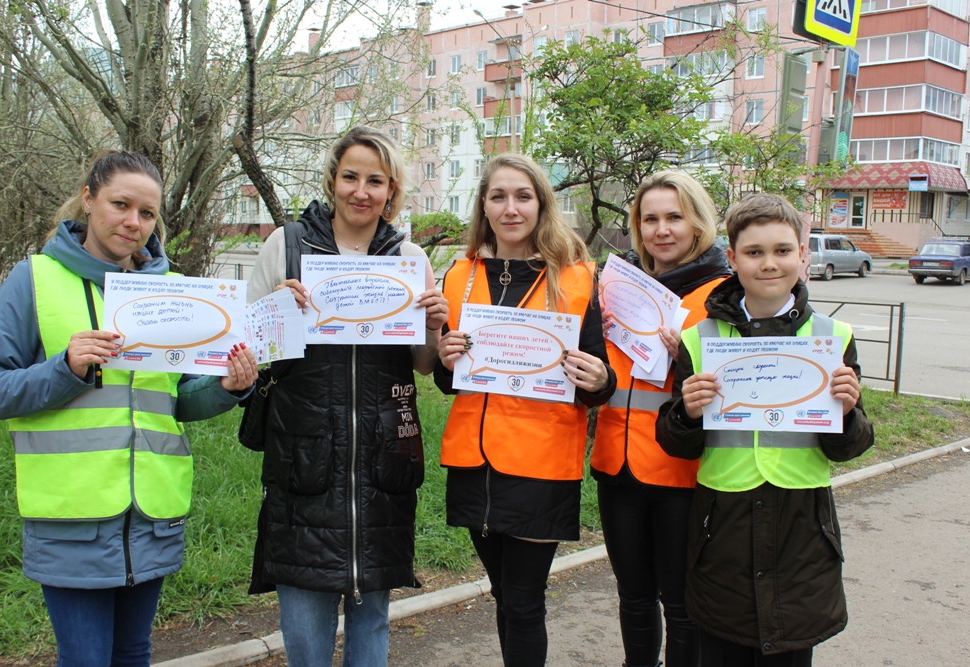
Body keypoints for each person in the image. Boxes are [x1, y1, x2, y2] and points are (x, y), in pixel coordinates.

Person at [0, 150, 258, 667]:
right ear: (88, 199)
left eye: (147, 213)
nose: (133, 223)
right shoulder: (34, 279)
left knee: (132, 655)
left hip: (152, 517)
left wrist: (227, 388)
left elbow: (173, 402)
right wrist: (65, 368)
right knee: (85, 659)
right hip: (70, 518)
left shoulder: (174, 292)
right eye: (120, 205)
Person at [245, 126, 449, 667]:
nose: (361, 191)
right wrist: (276, 311)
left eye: (375, 181)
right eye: (351, 177)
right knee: (304, 626)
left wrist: (434, 324)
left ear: (391, 189)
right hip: (305, 459)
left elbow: (423, 365)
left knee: (372, 617)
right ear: (332, 180)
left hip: (382, 462)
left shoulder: (408, 256)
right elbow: (245, 351)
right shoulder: (286, 245)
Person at [656, 194, 875, 667]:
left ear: (803, 254)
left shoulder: (833, 338)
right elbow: (675, 443)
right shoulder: (700, 339)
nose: (769, 263)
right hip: (723, 531)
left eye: (782, 250)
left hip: (802, 533)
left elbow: (850, 447)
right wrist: (687, 414)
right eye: (754, 252)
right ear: (733, 259)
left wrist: (846, 413)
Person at [434, 153, 616, 667]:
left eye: (522, 196)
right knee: (504, 595)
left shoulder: (577, 277)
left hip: (541, 464)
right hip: (474, 461)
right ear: (483, 205)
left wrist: (599, 380)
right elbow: (450, 381)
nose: (510, 208)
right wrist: (445, 358)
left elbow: (599, 379)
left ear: (541, 204)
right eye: (498, 196)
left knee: (523, 601)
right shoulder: (459, 276)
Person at [591, 171, 731, 667]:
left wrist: (685, 365)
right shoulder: (617, 287)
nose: (661, 230)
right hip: (617, 466)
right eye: (649, 219)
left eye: (675, 217)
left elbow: (737, 390)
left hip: (682, 473)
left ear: (698, 223)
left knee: (682, 603)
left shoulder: (722, 296)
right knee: (633, 596)